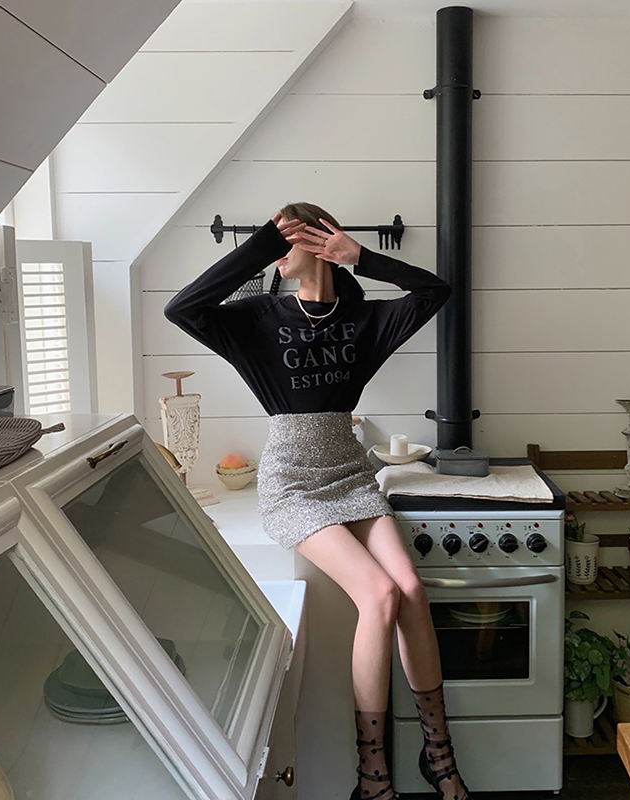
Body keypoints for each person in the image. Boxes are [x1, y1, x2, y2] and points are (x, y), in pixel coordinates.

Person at [163, 202, 471, 800]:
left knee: (411, 590)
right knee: (379, 594)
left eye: (286, 238)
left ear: (321, 242)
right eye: (272, 241)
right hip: (294, 483)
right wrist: (260, 245)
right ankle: (372, 774)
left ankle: (439, 755)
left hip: (351, 472)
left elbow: (435, 291)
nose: (276, 252)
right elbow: (182, 309)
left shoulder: (363, 318)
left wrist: (361, 258)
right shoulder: (258, 317)